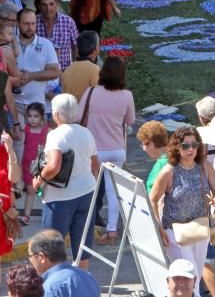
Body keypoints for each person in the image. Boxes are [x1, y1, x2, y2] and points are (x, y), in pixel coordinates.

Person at [150, 126, 215, 283]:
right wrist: (158, 227)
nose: (191, 149)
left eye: (194, 145)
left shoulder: (205, 166)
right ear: (177, 147)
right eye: (186, 145)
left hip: (200, 227)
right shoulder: (169, 171)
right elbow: (153, 199)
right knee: (185, 277)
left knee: (196, 276)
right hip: (174, 231)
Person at [33, 95, 99, 268]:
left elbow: (53, 166)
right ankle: (80, 282)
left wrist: (38, 181)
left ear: (56, 114)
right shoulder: (86, 132)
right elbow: (95, 164)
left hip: (59, 197)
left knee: (51, 246)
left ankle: (52, 283)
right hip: (86, 192)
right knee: (82, 244)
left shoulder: (56, 135)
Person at [79, 57, 135, 244]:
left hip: (94, 150)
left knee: (89, 189)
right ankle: (111, 229)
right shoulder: (126, 95)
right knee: (113, 191)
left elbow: (79, 116)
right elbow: (131, 121)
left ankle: (86, 225)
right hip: (117, 150)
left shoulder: (91, 92)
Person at [27, 229, 101, 297]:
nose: (30, 261)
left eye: (30, 256)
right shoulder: (88, 277)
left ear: (41, 257)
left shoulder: (50, 289)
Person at [16, 8, 60, 118]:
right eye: (26, 24)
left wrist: (31, 75)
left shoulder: (46, 45)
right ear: (17, 23)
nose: (30, 28)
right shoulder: (9, 43)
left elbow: (55, 72)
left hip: (38, 106)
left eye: (33, 23)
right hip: (13, 105)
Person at [138, 120, 170, 191]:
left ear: (151, 145)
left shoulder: (161, 164)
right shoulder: (177, 155)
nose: (143, 149)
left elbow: (152, 196)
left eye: (143, 144)